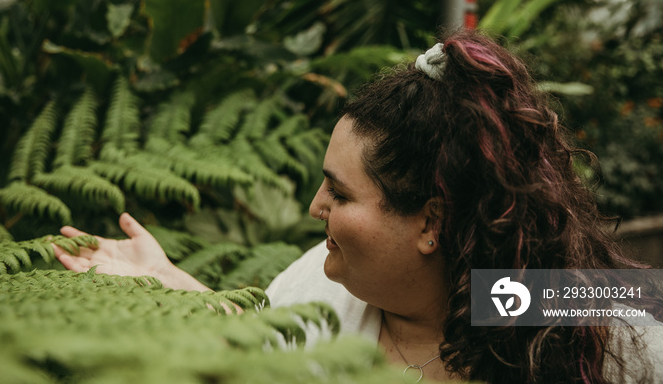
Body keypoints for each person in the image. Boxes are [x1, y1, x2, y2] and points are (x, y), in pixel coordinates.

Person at [54, 30, 663, 383]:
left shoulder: (569, 307)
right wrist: (171, 285)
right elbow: (265, 337)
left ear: (430, 222)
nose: (315, 206)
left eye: (340, 192)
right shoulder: (324, 287)